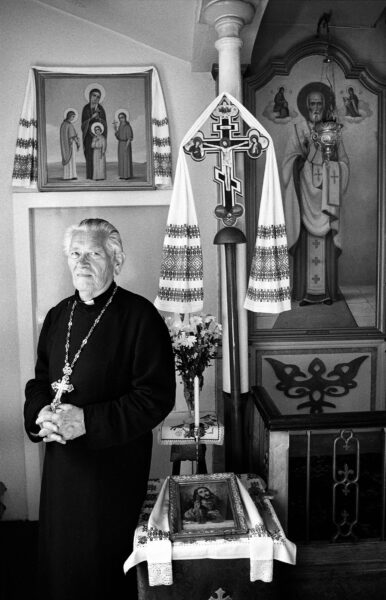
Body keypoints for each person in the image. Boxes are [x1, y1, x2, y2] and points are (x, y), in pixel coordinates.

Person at [24, 218, 176, 600]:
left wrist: (87, 420)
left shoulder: (140, 317)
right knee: (62, 563)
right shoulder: (59, 315)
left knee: (102, 568)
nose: (82, 262)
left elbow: (155, 397)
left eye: (93, 253)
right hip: (62, 468)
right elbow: (41, 381)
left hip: (114, 470)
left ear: (116, 259)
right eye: (75, 253)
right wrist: (39, 413)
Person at [282, 86, 349, 305]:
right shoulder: (297, 129)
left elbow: (345, 163)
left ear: (325, 105)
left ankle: (327, 291)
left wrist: (334, 167)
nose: (316, 108)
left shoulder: (333, 130)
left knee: (326, 241)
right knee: (305, 243)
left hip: (326, 198)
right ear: (305, 106)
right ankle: (304, 291)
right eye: (312, 103)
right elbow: (288, 162)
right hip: (304, 197)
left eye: (319, 103)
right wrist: (303, 164)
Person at [81, 88, 107, 179]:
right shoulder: (86, 108)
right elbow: (83, 124)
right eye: (94, 95)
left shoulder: (101, 109)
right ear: (90, 96)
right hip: (88, 137)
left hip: (99, 137)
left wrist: (99, 119)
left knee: (98, 157)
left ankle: (98, 175)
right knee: (89, 156)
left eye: (98, 97)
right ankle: (90, 175)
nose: (96, 98)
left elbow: (104, 124)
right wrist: (92, 118)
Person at [60, 109, 80, 180]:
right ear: (69, 116)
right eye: (72, 116)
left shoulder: (63, 124)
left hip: (66, 145)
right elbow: (72, 136)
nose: (73, 118)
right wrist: (77, 141)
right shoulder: (69, 125)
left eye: (74, 117)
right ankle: (72, 175)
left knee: (71, 160)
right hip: (70, 145)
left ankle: (68, 175)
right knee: (71, 159)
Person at [114, 111, 134, 179]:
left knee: (126, 159)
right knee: (121, 159)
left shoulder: (128, 126)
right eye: (119, 118)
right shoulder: (120, 126)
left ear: (125, 118)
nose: (120, 119)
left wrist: (126, 147)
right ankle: (122, 175)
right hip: (120, 144)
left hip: (126, 144)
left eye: (122, 117)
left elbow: (129, 138)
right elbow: (118, 137)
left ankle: (127, 175)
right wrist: (115, 130)